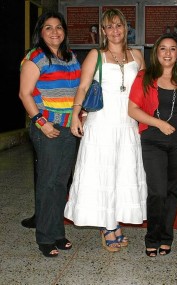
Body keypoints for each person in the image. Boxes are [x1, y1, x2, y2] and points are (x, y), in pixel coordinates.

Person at [64, 8, 147, 252]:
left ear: (125, 28)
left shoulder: (137, 56)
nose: (114, 30)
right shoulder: (95, 55)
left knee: (122, 174)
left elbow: (146, 90)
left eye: (118, 25)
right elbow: (82, 87)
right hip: (101, 125)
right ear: (103, 31)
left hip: (128, 125)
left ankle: (114, 221)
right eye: (109, 27)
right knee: (103, 174)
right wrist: (75, 115)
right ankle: (107, 226)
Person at [128, 33, 177, 257]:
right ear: (156, 53)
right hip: (153, 141)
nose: (168, 53)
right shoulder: (144, 77)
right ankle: (152, 237)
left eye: (173, 49)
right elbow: (133, 109)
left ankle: (167, 237)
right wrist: (159, 124)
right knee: (157, 192)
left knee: (172, 191)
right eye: (163, 49)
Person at [19, 11, 81, 257]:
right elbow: (25, 93)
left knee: (60, 183)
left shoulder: (70, 57)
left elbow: (77, 89)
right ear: (40, 32)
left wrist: (80, 113)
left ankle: (57, 233)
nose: (54, 32)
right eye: (48, 27)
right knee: (48, 183)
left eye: (58, 27)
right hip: (47, 128)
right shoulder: (35, 58)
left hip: (69, 128)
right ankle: (45, 237)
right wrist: (42, 122)